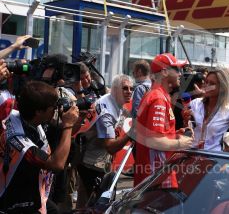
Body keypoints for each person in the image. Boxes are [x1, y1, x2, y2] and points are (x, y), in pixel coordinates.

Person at [0, 81, 79, 213]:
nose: (55, 110)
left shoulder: (27, 117)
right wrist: (68, 125)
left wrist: (74, 118)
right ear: (38, 112)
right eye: (52, 107)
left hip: (32, 192)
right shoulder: (18, 139)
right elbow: (57, 164)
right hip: (12, 201)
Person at [134, 53, 193, 186]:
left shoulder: (157, 95)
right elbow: (154, 140)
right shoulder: (158, 98)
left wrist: (176, 134)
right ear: (165, 72)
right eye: (177, 69)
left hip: (154, 175)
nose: (180, 74)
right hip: (157, 177)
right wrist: (180, 144)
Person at [76, 74, 134, 206]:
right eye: (125, 88)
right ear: (115, 90)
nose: (129, 92)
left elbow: (124, 112)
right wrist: (131, 134)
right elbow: (110, 147)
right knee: (95, 204)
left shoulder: (112, 99)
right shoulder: (107, 111)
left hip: (93, 158)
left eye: (131, 88)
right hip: (92, 163)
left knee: (85, 201)